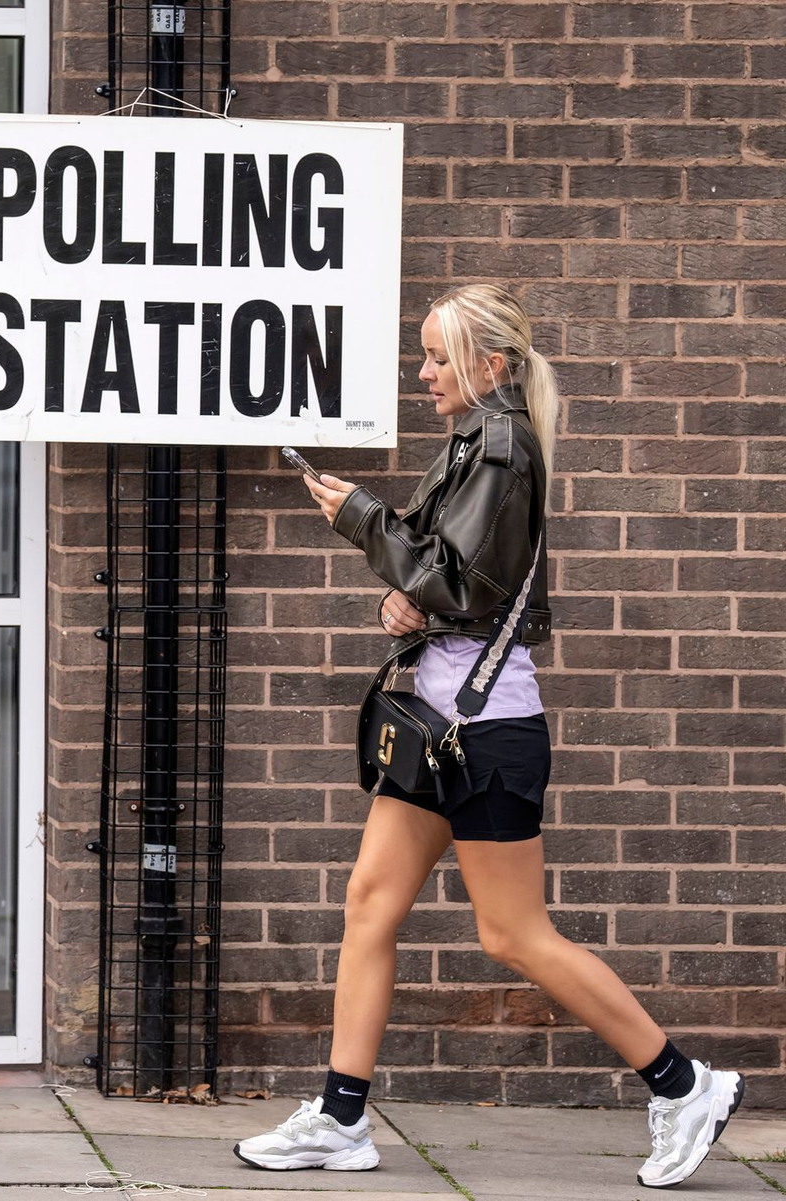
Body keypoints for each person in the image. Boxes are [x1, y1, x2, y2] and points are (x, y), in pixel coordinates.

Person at [232, 284, 744, 1190]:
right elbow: (448, 583)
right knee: (370, 904)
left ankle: (685, 1084)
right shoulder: (476, 441)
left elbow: (461, 585)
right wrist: (403, 601)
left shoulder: (502, 446)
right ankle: (343, 1118)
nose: (423, 371)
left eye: (437, 356)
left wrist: (359, 517)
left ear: (492, 365)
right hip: (439, 723)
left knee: (513, 933)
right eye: (424, 354)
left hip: (486, 730)